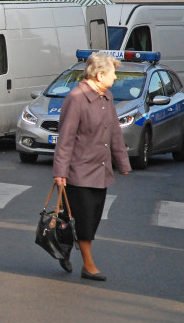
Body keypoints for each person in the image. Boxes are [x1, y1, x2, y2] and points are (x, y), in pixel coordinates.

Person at [52, 52, 131, 281]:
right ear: (99, 75)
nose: (115, 77)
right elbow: (65, 138)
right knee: (84, 219)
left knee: (91, 217)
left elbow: (115, 132)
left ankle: (62, 245)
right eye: (113, 73)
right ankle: (88, 265)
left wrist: (123, 163)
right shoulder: (76, 98)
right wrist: (60, 172)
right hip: (77, 172)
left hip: (101, 170)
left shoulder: (106, 97)